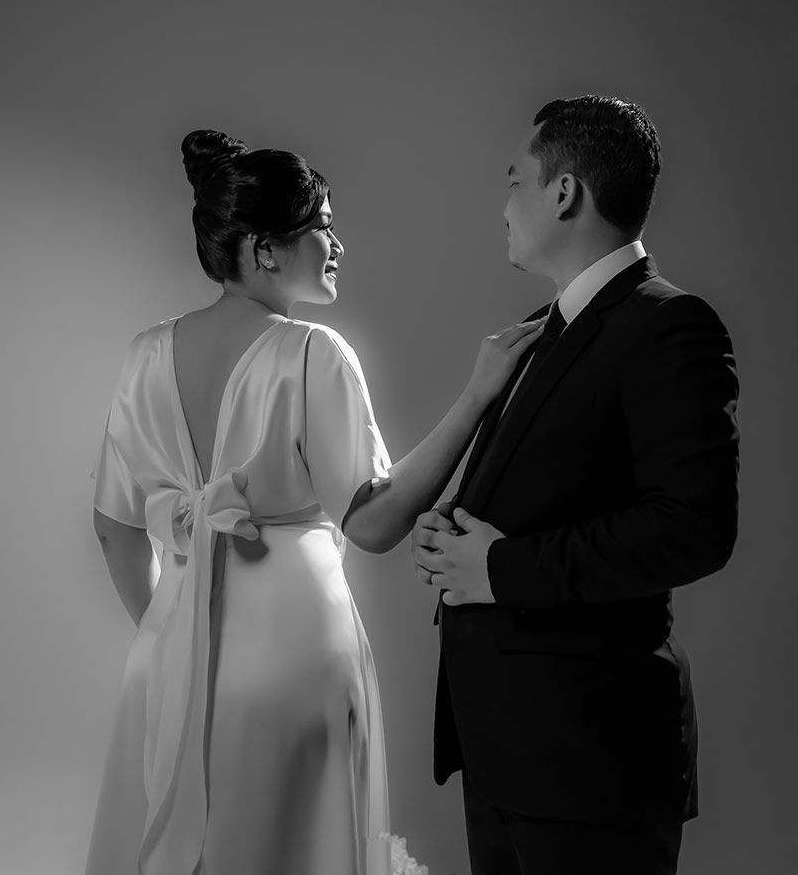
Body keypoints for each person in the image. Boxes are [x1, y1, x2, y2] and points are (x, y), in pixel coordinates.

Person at [85, 129, 543, 875]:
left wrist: (175, 638)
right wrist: (476, 398)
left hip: (168, 667)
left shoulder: (146, 354)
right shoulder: (311, 352)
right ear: (266, 249)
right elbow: (373, 522)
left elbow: (114, 529)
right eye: (323, 225)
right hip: (295, 657)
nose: (338, 244)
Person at [411, 95, 740, 875]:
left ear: (564, 193)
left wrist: (499, 569)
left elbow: (693, 527)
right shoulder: (539, 329)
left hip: (591, 763)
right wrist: (451, 527)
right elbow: (549, 490)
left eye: (514, 181)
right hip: (504, 754)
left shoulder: (670, 325)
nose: (504, 206)